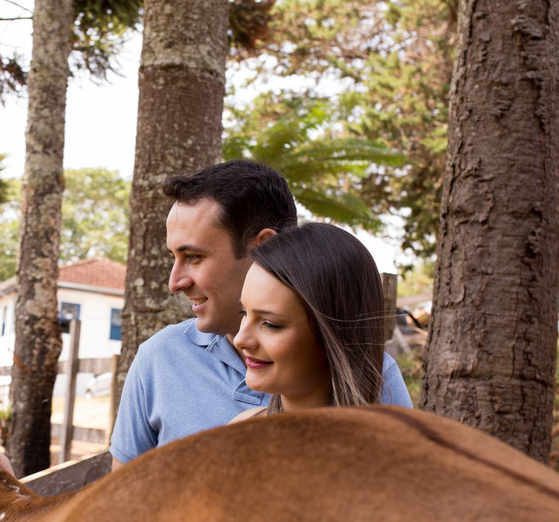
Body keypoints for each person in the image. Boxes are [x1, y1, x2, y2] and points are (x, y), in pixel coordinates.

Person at [110, 160, 411, 468]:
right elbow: (119, 503)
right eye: (174, 257)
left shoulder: (373, 376)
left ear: (264, 246)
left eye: (194, 257)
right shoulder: (159, 358)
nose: (175, 283)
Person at [231, 222, 386, 421]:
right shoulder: (241, 430)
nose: (240, 339)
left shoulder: (385, 449)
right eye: (243, 312)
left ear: (336, 335)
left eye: (271, 324)